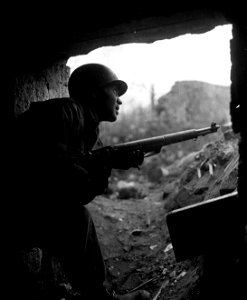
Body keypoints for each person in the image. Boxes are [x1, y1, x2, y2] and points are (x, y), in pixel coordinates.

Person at [9, 63, 150, 300]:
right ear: (94, 92)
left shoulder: (88, 128)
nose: (120, 100)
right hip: (15, 207)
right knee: (76, 218)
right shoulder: (66, 112)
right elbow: (54, 175)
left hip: (28, 208)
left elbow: (79, 192)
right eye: (115, 91)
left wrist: (105, 164)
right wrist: (103, 162)